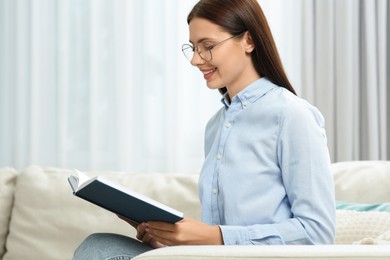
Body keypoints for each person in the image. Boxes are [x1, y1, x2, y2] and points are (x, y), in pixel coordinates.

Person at [73, 0, 336, 259]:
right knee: (99, 247)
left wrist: (216, 237)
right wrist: (170, 241)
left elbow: (318, 232)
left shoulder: (292, 115)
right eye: (194, 48)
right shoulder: (215, 126)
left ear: (249, 40)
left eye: (208, 47)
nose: (196, 60)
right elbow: (215, 239)